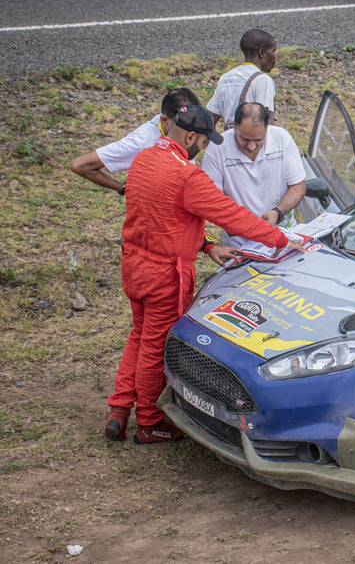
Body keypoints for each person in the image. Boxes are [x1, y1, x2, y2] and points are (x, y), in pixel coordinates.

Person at [104, 104, 300, 445]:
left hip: (134, 265)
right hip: (165, 274)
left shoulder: (143, 159)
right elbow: (235, 217)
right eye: (205, 141)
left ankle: (119, 409)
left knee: (139, 336)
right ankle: (149, 421)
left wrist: (206, 244)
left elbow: (164, 217)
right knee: (155, 347)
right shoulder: (187, 177)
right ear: (190, 137)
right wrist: (283, 240)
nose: (205, 148)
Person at [202, 101, 307, 247]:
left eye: (258, 140)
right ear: (234, 126)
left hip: (285, 236)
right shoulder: (217, 149)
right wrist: (239, 225)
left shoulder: (282, 139)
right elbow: (212, 201)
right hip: (239, 244)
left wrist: (278, 213)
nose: (251, 146)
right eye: (245, 139)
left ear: (267, 127)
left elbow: (298, 187)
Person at [71, 88, 197, 195]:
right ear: (164, 120)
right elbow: (80, 166)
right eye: (184, 124)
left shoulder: (183, 126)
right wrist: (122, 188)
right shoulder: (141, 141)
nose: (192, 130)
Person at [206, 29, 277, 129]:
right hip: (251, 138)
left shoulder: (226, 77)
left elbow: (210, 119)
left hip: (229, 137)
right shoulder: (263, 80)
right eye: (273, 51)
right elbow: (265, 123)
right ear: (261, 52)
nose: (275, 56)